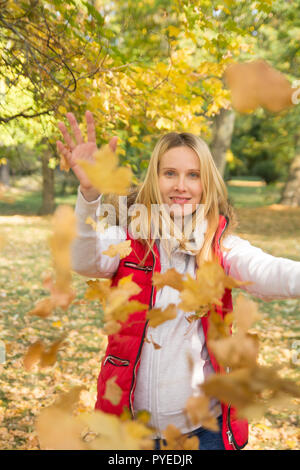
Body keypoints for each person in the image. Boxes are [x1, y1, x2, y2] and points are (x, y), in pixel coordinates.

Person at [56, 111, 300, 451]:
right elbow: (83, 260)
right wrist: (89, 194)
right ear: (155, 179)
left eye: (192, 175)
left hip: (203, 434)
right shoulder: (130, 239)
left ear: (206, 184)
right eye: (170, 173)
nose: (181, 186)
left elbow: (268, 271)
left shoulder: (220, 247)